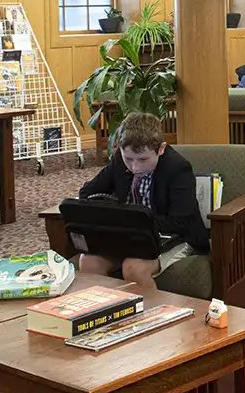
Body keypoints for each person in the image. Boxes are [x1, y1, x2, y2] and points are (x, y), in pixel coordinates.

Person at [72, 113, 210, 290]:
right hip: (129, 236)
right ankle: (107, 311)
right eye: (128, 158)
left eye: (143, 159)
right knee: (88, 261)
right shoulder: (120, 162)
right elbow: (87, 192)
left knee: (133, 267)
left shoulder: (178, 169)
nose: (135, 167)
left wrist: (135, 221)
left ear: (160, 149)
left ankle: (153, 315)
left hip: (174, 236)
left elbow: (180, 222)